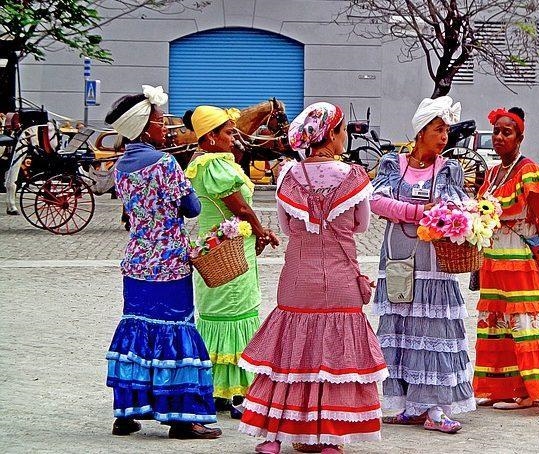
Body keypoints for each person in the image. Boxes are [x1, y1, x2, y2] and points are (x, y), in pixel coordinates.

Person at [237, 102, 388, 454]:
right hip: (339, 279)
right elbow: (362, 225)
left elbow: (289, 227)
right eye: (343, 130)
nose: (345, 136)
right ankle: (328, 437)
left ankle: (274, 436)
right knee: (334, 357)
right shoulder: (353, 178)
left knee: (289, 353)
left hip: (298, 277)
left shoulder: (289, 176)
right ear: (332, 134)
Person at [104, 85, 220, 439]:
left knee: (136, 328)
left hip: (137, 261)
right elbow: (192, 208)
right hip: (169, 261)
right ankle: (182, 417)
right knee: (175, 329)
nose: (163, 127)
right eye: (157, 121)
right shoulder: (166, 163)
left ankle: (127, 413)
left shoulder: (120, 166)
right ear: (144, 127)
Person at [370, 96, 475, 433]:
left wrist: (457, 215)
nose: (444, 137)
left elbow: (454, 206)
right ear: (420, 132)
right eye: (437, 129)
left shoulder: (449, 169)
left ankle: (434, 407)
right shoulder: (391, 164)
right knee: (401, 328)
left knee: (431, 329)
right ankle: (405, 405)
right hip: (398, 258)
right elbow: (376, 201)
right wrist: (417, 211)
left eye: (446, 130)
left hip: (434, 263)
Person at [183, 105, 280, 419]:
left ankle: (218, 391)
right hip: (229, 250)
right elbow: (240, 208)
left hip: (221, 247)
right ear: (209, 137)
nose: (233, 137)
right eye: (226, 132)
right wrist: (261, 229)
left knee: (218, 316)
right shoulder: (213, 165)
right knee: (235, 314)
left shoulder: (205, 162)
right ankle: (235, 392)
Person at [473, 107, 539, 409]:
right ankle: (501, 387)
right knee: (498, 323)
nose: (499, 137)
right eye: (496, 132)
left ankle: (531, 389)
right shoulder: (492, 174)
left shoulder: (528, 173)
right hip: (493, 261)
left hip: (519, 260)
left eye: (507, 133)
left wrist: (536, 246)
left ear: (520, 138)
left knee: (525, 323)